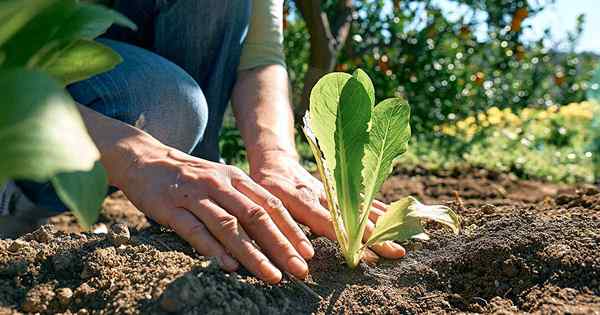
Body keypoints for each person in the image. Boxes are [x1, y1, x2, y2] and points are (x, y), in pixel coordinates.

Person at [0, 0, 405, 283]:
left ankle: (200, 207)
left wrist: (277, 161)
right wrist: (137, 155)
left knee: (176, 97)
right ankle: (16, 191)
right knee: (176, 105)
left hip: (102, 74)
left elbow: (260, 56)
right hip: (16, 74)